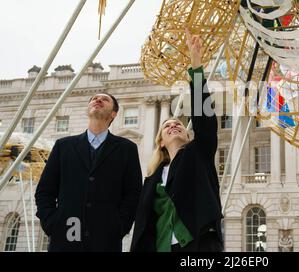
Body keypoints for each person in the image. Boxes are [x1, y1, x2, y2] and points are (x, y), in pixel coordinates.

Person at [130, 30, 223, 252]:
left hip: (197, 246)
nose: (173, 125)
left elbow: (205, 122)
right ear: (160, 141)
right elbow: (144, 222)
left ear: (188, 135)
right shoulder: (152, 179)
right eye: (167, 126)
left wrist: (197, 69)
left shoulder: (198, 154)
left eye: (178, 124)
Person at [35, 92, 143, 252]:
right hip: (65, 238)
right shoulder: (63, 146)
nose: (98, 100)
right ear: (88, 109)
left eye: (105, 99)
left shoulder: (127, 148)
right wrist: (53, 224)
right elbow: (45, 191)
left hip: (106, 240)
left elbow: (133, 193)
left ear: (113, 114)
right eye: (94, 98)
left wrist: (119, 226)